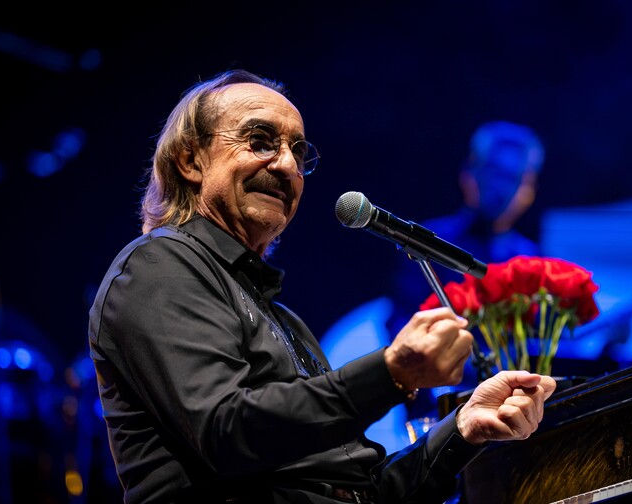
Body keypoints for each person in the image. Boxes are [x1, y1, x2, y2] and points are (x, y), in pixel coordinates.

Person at [87, 68, 556, 504]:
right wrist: (392, 372)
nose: (288, 166)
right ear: (190, 160)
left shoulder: (282, 318)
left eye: (298, 152)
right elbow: (227, 433)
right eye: (260, 140)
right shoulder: (159, 266)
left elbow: (368, 489)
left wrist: (465, 428)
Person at [387, 120, 547, 418]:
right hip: (438, 408)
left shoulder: (532, 259)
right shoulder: (428, 241)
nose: (501, 189)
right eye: (494, 174)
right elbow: (401, 326)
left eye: (513, 178)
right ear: (470, 175)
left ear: (529, 188)